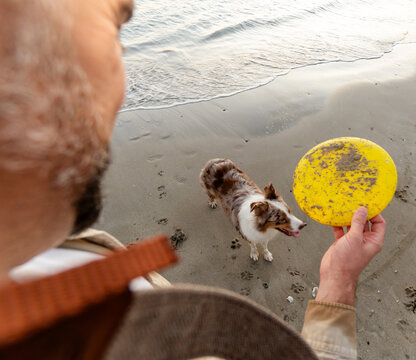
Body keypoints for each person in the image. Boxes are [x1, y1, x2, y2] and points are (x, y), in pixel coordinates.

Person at [0, 0, 386, 359]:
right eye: (111, 39)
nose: (123, 75)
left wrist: (336, 277)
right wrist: (339, 289)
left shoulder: (64, 248)